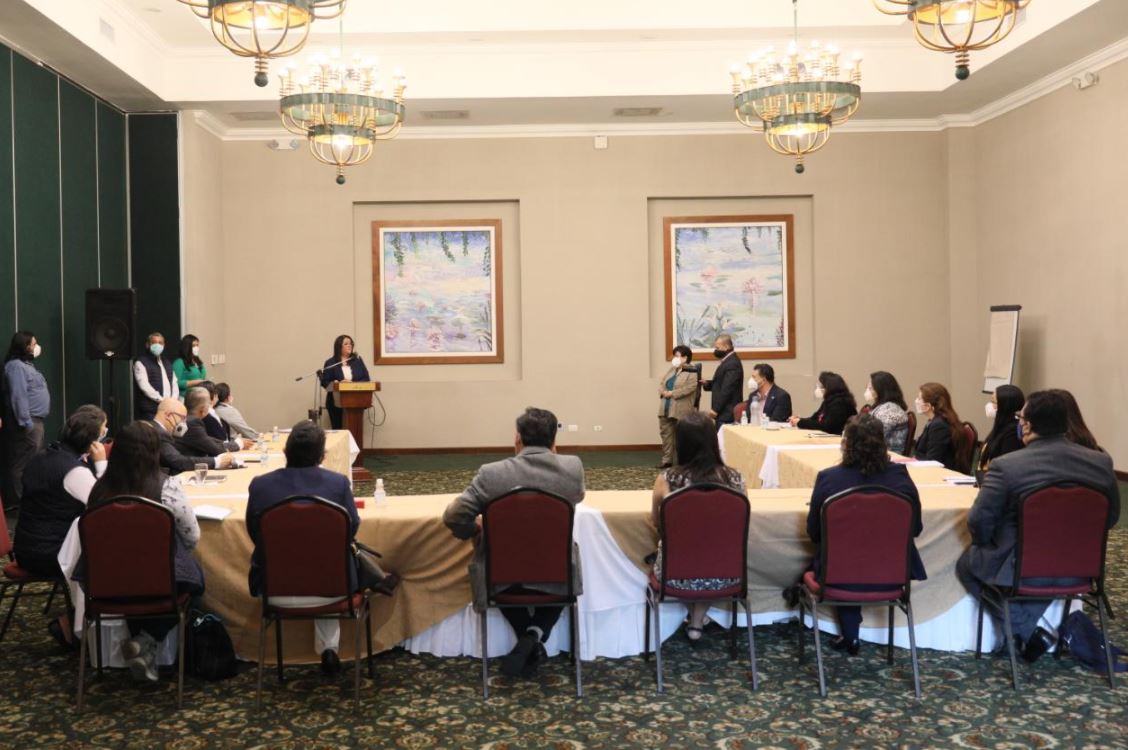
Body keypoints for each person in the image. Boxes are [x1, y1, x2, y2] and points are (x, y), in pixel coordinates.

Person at [956, 390, 1120, 662]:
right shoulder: (1100, 462)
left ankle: (1028, 631)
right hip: (1081, 568)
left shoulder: (1007, 466)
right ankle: (1031, 628)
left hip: (1021, 569)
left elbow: (979, 521)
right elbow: (1111, 518)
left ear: (1028, 425)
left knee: (967, 565)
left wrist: (985, 544)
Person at [443, 407, 585, 679]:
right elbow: (576, 496)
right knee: (561, 564)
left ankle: (526, 640)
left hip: (503, 575)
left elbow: (453, 516)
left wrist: (475, 531)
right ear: (555, 440)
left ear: (517, 438)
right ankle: (532, 638)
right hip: (556, 572)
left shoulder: (492, 474)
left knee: (500, 566)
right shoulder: (572, 467)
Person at [87, 421, 204, 682]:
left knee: (145, 582)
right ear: (155, 452)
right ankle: (147, 639)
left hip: (105, 585)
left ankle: (144, 646)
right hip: (158, 583)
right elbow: (192, 537)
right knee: (196, 581)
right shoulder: (167, 487)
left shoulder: (98, 490)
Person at [246, 420, 363, 677]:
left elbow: (255, 534)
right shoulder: (338, 484)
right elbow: (350, 531)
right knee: (325, 560)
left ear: (285, 452)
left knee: (311, 561)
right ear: (322, 455)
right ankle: (329, 648)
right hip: (335, 590)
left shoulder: (260, 485)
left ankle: (326, 648)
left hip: (273, 590)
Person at [803, 415, 924, 655]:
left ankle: (851, 635)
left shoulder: (829, 479)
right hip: (892, 573)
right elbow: (916, 528)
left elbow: (814, 533)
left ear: (845, 444)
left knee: (844, 556)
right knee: (856, 556)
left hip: (838, 573)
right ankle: (851, 634)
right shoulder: (900, 477)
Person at [13, 405, 107, 648]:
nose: (107, 433)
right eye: (104, 430)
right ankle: (77, 627)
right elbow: (106, 507)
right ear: (92, 440)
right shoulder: (73, 471)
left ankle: (80, 621)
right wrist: (101, 464)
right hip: (50, 553)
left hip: (26, 546)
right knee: (112, 557)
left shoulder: (43, 456)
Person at [649, 412, 746, 643]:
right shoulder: (735, 479)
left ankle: (694, 619)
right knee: (710, 558)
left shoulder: (667, 479)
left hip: (674, 574)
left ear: (681, 444)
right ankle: (697, 619)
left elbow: (657, 522)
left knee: (687, 556)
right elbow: (738, 527)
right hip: (727, 574)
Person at [2, 331, 50, 510]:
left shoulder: (26, 365)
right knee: (22, 464)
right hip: (27, 424)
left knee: (32, 462)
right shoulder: (16, 367)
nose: (36, 347)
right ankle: (20, 503)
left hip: (36, 422)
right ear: (24, 346)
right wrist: (26, 422)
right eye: (33, 343)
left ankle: (27, 502)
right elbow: (18, 395)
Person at [151, 398, 234, 474]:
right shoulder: (159, 434)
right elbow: (179, 461)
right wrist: (217, 461)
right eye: (182, 418)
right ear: (168, 415)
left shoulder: (154, 429)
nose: (183, 423)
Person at [657, 345, 700, 468]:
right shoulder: (672, 369)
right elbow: (662, 383)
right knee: (666, 435)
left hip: (681, 408)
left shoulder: (692, 371)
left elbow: (691, 387)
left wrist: (672, 393)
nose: (675, 358)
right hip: (665, 407)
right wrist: (663, 391)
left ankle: (685, 461)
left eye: (677, 356)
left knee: (683, 436)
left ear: (685, 357)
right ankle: (667, 461)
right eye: (674, 355)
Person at [176, 387, 250, 457]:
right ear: (203, 409)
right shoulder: (193, 423)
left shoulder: (185, 419)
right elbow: (215, 449)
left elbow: (208, 440)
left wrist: (235, 443)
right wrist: (239, 444)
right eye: (209, 404)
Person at [912, 382, 968, 472]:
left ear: (928, 406)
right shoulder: (935, 421)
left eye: (919, 399)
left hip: (940, 474)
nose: (916, 401)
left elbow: (932, 460)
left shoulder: (939, 425)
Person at [319, 334, 371, 430]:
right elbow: (325, 382)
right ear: (339, 347)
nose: (349, 345)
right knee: (338, 430)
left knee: (355, 430)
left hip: (356, 402)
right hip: (335, 403)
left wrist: (352, 384)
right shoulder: (331, 363)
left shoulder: (357, 361)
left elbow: (366, 379)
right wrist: (337, 384)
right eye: (346, 344)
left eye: (351, 343)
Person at [976, 384, 1025, 478]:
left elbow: (1005, 467)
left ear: (1004, 406)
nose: (989, 405)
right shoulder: (1000, 426)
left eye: (993, 402)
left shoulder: (1013, 432)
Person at [789, 371, 857, 435]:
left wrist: (800, 422)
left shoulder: (840, 403)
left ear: (829, 387)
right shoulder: (828, 401)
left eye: (820, 386)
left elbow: (827, 426)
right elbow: (814, 419)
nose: (817, 389)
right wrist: (799, 419)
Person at [133, 332, 178, 420]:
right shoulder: (141, 362)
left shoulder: (167, 362)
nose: (158, 345)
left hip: (169, 408)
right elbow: (145, 387)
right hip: (151, 410)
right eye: (154, 342)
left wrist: (172, 401)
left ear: (164, 345)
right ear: (147, 345)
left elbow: (174, 383)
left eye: (160, 343)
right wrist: (162, 401)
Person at [701, 334, 743, 427]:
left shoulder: (732, 364)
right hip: (723, 412)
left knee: (724, 440)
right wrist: (707, 383)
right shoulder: (727, 361)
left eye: (717, 347)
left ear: (726, 347)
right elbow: (721, 383)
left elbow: (727, 389)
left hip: (727, 412)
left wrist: (715, 409)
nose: (715, 350)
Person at [864, 371, 910, 454]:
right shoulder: (882, 406)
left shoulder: (891, 411)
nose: (867, 391)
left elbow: (875, 435)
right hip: (876, 452)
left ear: (880, 389)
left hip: (888, 456)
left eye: (870, 388)